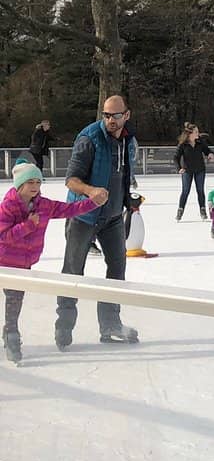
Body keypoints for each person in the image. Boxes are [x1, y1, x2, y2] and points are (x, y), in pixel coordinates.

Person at [55, 95, 139, 349]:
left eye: (115, 115)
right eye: (105, 115)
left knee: (117, 270)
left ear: (127, 115)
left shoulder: (129, 140)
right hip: (84, 215)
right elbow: (71, 180)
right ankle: (64, 326)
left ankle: (111, 324)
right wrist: (91, 191)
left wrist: (128, 200)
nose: (110, 120)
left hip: (113, 217)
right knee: (72, 271)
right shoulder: (88, 139)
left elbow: (122, 175)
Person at [0, 161, 100, 363]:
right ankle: (11, 334)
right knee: (13, 297)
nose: (35, 186)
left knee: (14, 299)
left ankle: (10, 334)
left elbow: (68, 209)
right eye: (30, 182)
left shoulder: (43, 205)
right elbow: (2, 238)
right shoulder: (7, 207)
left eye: (38, 181)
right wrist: (28, 226)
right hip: (4, 263)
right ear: (20, 184)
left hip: (23, 264)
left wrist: (94, 203)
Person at [174, 123, 214, 221]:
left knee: (200, 191)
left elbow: (207, 150)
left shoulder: (200, 143)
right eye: (196, 132)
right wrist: (179, 168)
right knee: (185, 191)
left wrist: (210, 154)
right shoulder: (183, 145)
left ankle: (203, 211)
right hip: (187, 171)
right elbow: (176, 157)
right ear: (190, 134)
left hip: (200, 170)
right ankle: (180, 211)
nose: (198, 133)